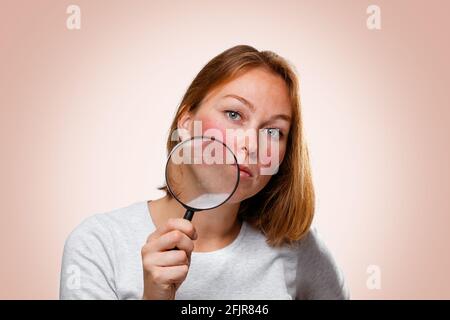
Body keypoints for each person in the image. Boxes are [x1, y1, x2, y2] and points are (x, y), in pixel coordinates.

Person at [59, 45, 349, 300]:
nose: (251, 145)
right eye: (234, 114)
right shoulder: (99, 244)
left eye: (273, 131)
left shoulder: (297, 248)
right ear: (186, 122)